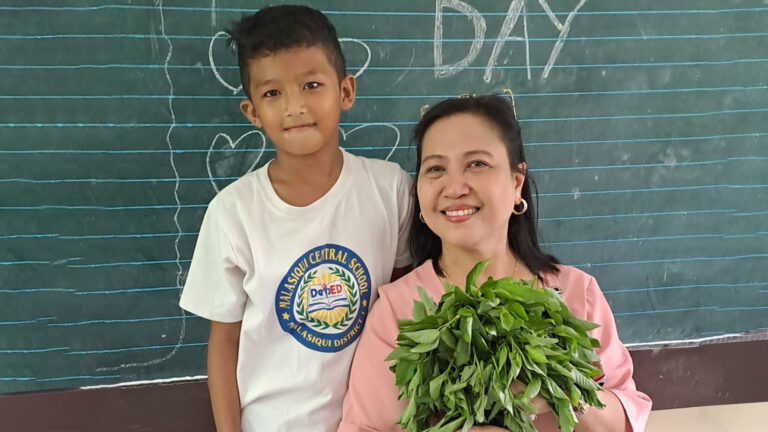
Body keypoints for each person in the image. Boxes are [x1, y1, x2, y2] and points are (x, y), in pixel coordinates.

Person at [339, 95, 652, 431]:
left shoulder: (578, 293)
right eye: (435, 169)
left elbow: (625, 419)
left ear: (516, 183)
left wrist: (561, 386)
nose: (455, 187)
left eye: (477, 164)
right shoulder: (397, 312)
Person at [179, 6, 412, 432]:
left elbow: (402, 308)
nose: (295, 106)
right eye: (273, 94)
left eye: (311, 85)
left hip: (370, 421)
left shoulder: (390, 190)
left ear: (345, 91)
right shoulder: (233, 214)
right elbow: (224, 342)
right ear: (252, 113)